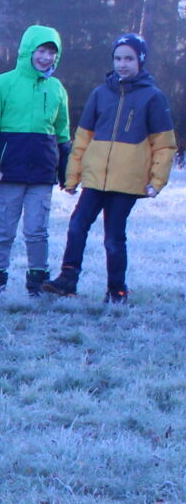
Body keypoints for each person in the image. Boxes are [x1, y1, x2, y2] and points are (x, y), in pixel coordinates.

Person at [42, 32, 174, 302]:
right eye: (117, 58)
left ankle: (117, 291)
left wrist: (156, 180)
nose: (122, 64)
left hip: (127, 182)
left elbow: (164, 145)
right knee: (77, 225)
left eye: (129, 58)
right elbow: (83, 139)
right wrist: (72, 177)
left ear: (140, 60)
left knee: (114, 238)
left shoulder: (153, 97)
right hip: (94, 179)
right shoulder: (100, 94)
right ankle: (68, 278)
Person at [0, 24, 69, 294]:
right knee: (3, 230)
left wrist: (66, 172)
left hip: (42, 173)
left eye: (51, 53)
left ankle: (38, 281)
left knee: (37, 231)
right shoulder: (3, 83)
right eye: (41, 50)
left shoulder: (56, 88)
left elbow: (63, 133)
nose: (45, 57)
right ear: (28, 51)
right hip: (8, 172)